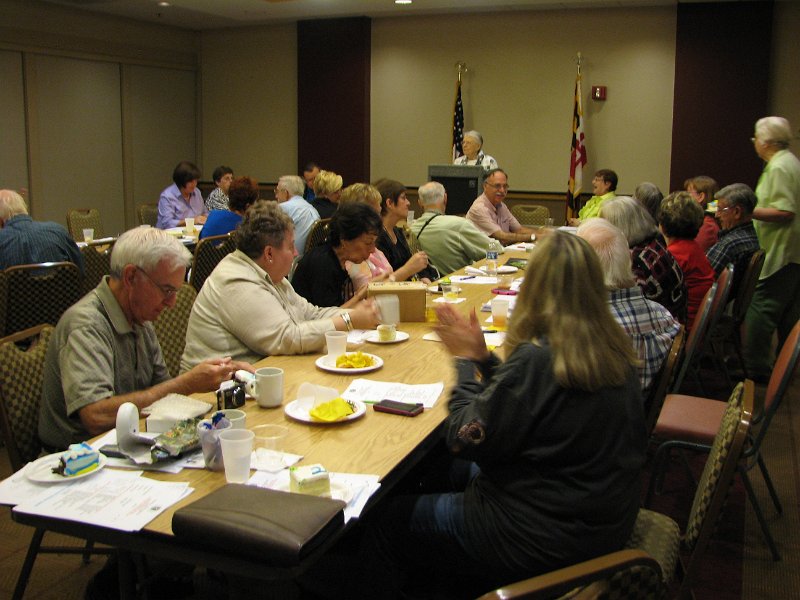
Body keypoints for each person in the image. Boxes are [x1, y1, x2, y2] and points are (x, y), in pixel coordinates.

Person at [357, 232, 645, 598]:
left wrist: (462, 362)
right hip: (595, 519)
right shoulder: (608, 347)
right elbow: (529, 402)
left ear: (534, 287)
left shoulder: (540, 357)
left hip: (537, 536)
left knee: (388, 520)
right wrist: (482, 358)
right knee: (436, 470)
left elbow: (463, 436)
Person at [38, 227, 251, 450]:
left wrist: (215, 373)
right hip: (79, 459)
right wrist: (186, 383)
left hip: (130, 444)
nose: (172, 303)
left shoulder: (139, 316)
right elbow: (96, 415)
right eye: (167, 290)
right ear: (131, 277)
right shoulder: (86, 325)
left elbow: (162, 394)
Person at [181, 201, 378, 370]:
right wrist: (349, 321)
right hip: (211, 395)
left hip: (259, 374)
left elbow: (311, 313)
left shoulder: (270, 275)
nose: (295, 253)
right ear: (269, 253)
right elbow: (286, 338)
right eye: (291, 246)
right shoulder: (235, 281)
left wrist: (354, 314)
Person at [578, 218, 680, 397]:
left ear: (583, 269)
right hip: (641, 414)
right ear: (628, 259)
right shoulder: (664, 317)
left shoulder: (584, 332)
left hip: (597, 419)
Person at [745, 116, 800, 382]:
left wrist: (747, 211)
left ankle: (757, 372)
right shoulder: (788, 162)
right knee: (788, 313)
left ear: (765, 142)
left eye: (756, 139)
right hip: (789, 250)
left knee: (761, 310)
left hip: (780, 250)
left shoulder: (779, 167)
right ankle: (782, 369)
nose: (754, 144)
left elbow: (785, 210)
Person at [600, 196, 688, 322]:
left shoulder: (636, 262)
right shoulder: (655, 243)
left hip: (660, 329)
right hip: (672, 320)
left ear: (619, 227)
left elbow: (622, 305)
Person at [292, 202, 383, 307]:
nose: (372, 250)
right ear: (345, 239)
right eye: (368, 243)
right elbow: (329, 319)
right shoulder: (322, 264)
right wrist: (362, 294)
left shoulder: (339, 260)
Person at [658, 192, 715, 330]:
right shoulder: (692, 248)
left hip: (683, 327)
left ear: (663, 225)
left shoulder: (675, 255)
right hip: (695, 323)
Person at [410, 181, 490, 275]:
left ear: (420, 203)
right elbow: (494, 250)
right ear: (445, 198)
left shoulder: (412, 229)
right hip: (463, 284)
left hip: (431, 284)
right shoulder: (459, 225)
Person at [0, 189, 84, 273]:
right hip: (60, 285)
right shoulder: (58, 231)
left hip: (17, 286)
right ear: (23, 208)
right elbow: (80, 269)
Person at [374, 179, 438, 283]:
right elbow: (385, 278)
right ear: (389, 203)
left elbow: (422, 262)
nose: (408, 203)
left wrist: (424, 277)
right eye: (403, 198)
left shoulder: (405, 232)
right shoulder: (376, 238)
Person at [706, 183, 761, 298]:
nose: (716, 215)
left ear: (737, 212)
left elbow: (703, 277)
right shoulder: (751, 237)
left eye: (720, 209)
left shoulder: (731, 244)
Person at [466, 168, 537, 244]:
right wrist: (534, 236)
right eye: (497, 186)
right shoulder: (479, 208)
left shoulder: (502, 206)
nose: (502, 190)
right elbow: (502, 237)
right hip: (483, 255)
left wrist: (541, 234)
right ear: (485, 186)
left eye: (505, 186)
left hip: (500, 252)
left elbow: (519, 230)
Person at [274, 174, 320, 256]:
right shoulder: (313, 210)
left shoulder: (283, 208)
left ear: (286, 193)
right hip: (308, 259)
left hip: (291, 261)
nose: (276, 196)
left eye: (277, 191)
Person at [156, 160, 208, 229]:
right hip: (171, 236)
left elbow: (205, 213)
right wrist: (192, 221)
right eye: (190, 181)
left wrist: (205, 218)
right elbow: (167, 223)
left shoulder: (197, 192)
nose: (194, 184)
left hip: (194, 233)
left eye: (196, 181)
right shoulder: (167, 196)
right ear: (181, 181)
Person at [684, 175, 721, 252]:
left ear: (701, 197)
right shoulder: (705, 220)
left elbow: (692, 254)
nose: (685, 198)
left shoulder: (707, 226)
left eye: (688, 193)